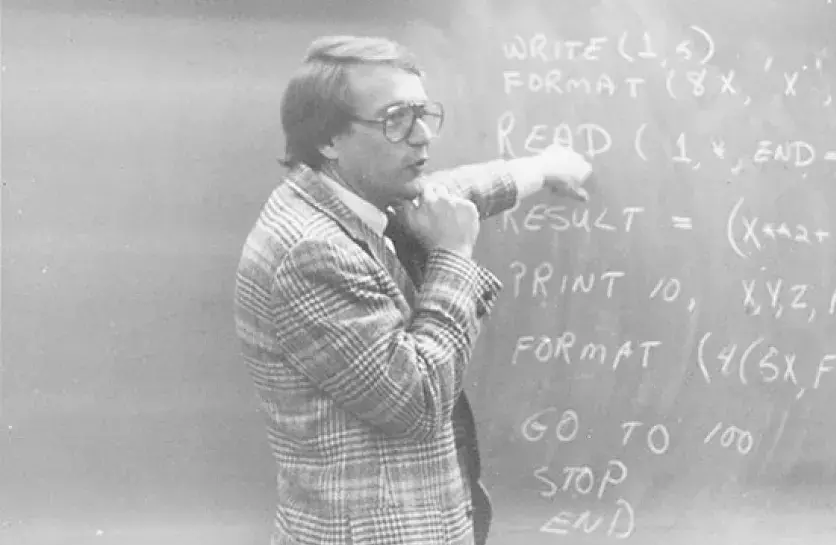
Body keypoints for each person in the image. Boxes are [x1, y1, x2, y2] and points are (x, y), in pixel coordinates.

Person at [233, 35, 593, 545]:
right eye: (397, 119)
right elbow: (418, 404)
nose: (423, 136)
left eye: (423, 114)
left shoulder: (335, 197)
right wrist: (453, 255)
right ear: (329, 138)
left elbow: (444, 193)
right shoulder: (313, 252)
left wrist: (538, 169)